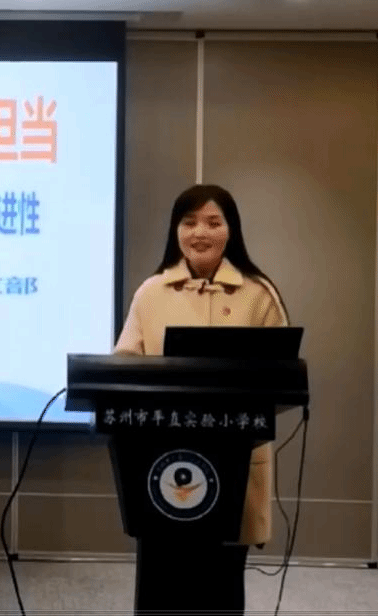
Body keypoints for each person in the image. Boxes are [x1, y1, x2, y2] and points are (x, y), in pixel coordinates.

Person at [114, 184, 289, 615]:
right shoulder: (151, 292)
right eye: (189, 222)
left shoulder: (259, 294)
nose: (200, 233)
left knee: (222, 585)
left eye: (213, 222)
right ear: (175, 230)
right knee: (161, 583)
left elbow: (283, 379)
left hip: (233, 462)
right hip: (159, 459)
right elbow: (122, 367)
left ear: (232, 230)